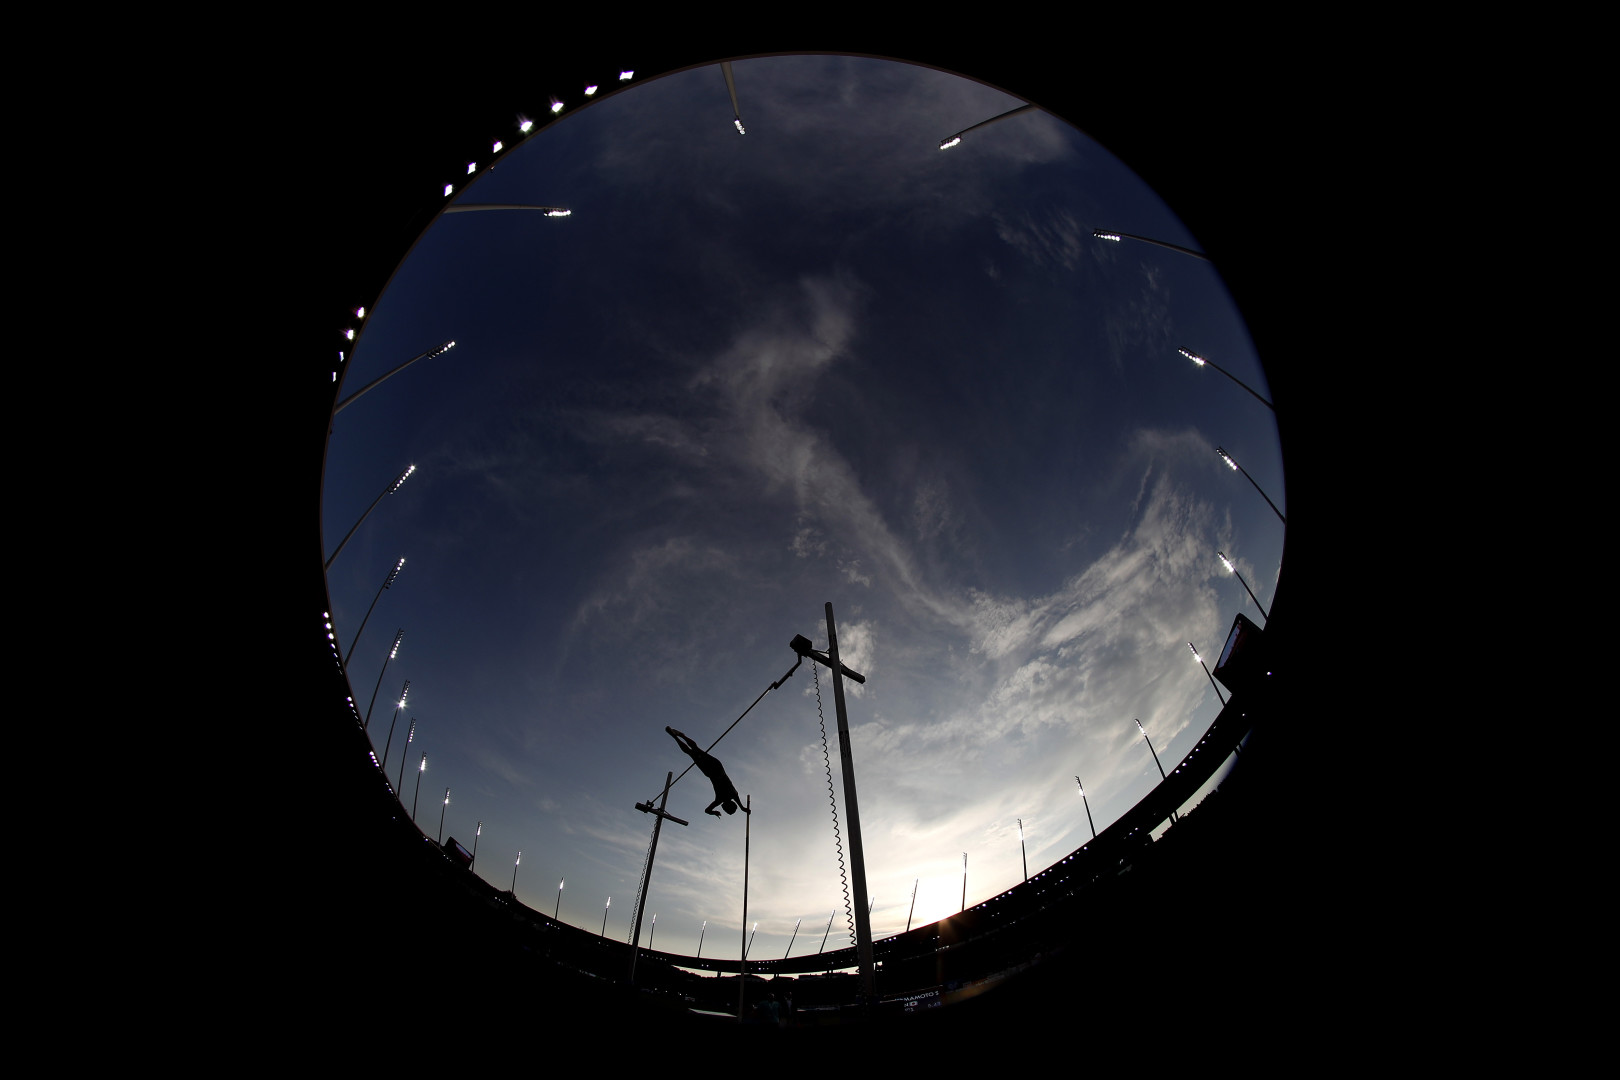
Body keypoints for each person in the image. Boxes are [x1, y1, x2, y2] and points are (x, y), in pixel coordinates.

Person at [666, 726, 749, 817]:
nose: (723, 808)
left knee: (693, 751)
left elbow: (707, 810)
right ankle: (679, 736)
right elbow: (708, 810)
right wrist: (714, 812)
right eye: (725, 809)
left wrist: (742, 809)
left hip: (711, 771)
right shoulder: (728, 796)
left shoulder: (724, 798)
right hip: (716, 769)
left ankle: (677, 736)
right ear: (728, 806)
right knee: (694, 751)